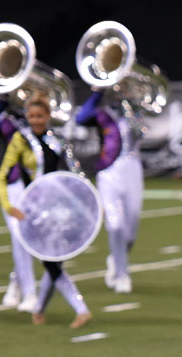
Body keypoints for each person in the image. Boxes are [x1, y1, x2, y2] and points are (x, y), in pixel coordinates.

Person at [0, 95, 92, 328]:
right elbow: (2, 177)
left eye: (40, 116)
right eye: (31, 116)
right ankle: (81, 309)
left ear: (48, 116)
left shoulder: (58, 139)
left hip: (57, 208)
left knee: (53, 260)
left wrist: (89, 202)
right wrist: (10, 207)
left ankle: (38, 311)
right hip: (34, 210)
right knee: (51, 261)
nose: (35, 120)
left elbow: (75, 173)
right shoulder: (20, 140)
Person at [75, 89, 145, 294]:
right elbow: (81, 117)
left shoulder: (134, 111)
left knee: (130, 231)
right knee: (114, 225)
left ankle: (116, 258)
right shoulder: (102, 113)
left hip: (132, 170)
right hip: (108, 172)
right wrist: (98, 92)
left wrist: (129, 104)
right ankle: (122, 275)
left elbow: (141, 132)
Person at [0, 98, 38, 312]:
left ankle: (16, 281)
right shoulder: (8, 122)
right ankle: (30, 293)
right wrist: (2, 103)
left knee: (31, 240)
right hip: (13, 187)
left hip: (39, 187)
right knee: (18, 237)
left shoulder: (41, 121)